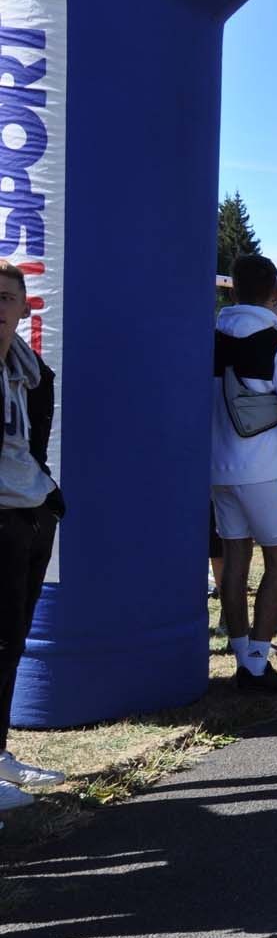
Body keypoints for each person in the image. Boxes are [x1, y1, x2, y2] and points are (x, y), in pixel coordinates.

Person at [211, 254, 277, 689]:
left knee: (234, 561)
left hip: (217, 465)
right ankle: (256, 661)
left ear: (232, 289)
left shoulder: (211, 334)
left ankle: (241, 654)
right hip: (265, 466)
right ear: (275, 294)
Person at [0, 260, 67, 811]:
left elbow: (32, 450)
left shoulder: (32, 372)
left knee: (11, 644)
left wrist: (46, 500)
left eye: (6, 298)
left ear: (24, 308)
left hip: (28, 515)